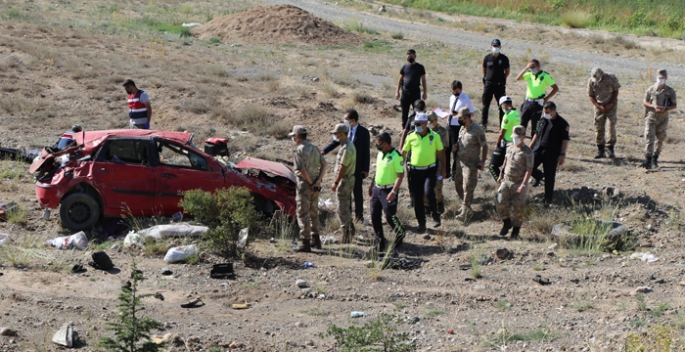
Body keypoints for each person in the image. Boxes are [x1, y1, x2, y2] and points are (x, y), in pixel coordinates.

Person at [322, 109, 370, 222]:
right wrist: (324, 151)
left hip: (357, 168)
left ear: (353, 120)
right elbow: (335, 142)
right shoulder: (345, 130)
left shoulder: (364, 132)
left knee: (357, 193)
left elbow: (365, 151)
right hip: (345, 166)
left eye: (346, 119)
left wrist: (365, 169)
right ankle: (348, 217)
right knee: (345, 194)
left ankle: (359, 217)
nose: (344, 121)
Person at [402, 113, 445, 232]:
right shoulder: (411, 136)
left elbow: (440, 152)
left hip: (429, 170)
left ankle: (436, 216)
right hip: (415, 172)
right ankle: (421, 223)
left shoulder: (434, 136)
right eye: (415, 124)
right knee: (417, 198)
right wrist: (400, 166)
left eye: (418, 124)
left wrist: (442, 169)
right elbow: (404, 152)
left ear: (426, 124)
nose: (416, 126)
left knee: (429, 191)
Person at [290, 126, 327, 252]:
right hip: (315, 185)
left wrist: (310, 183)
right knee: (314, 212)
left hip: (304, 185)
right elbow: (324, 164)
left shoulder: (298, 150)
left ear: (297, 137)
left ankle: (305, 242)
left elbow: (302, 170)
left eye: (293, 136)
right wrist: (318, 181)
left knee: (302, 213)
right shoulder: (315, 148)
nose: (293, 139)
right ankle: (315, 239)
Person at [368, 133, 407, 251]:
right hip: (377, 189)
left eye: (378, 144)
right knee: (374, 215)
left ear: (385, 144)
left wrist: (394, 192)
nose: (377, 146)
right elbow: (377, 171)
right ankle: (380, 242)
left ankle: (400, 233)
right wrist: (371, 186)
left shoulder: (396, 156)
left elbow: (400, 176)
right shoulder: (380, 154)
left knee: (389, 216)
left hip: (389, 190)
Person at [529, 102, 570, 206]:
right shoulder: (542, 120)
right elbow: (536, 134)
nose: (546, 114)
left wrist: (562, 154)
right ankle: (538, 176)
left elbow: (565, 140)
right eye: (544, 112)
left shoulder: (563, 124)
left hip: (551, 153)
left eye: (548, 112)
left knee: (549, 177)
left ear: (554, 111)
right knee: (528, 167)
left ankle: (547, 201)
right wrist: (529, 147)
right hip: (538, 150)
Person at [496, 126, 533, 239]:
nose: (515, 139)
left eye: (518, 137)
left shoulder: (527, 152)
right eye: (514, 137)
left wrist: (524, 184)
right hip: (506, 180)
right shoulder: (509, 147)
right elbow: (505, 161)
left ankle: (515, 231)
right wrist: (501, 174)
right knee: (500, 202)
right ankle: (507, 222)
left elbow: (529, 169)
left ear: (523, 137)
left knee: (519, 209)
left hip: (519, 182)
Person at [453, 107, 488, 222]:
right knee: (458, 184)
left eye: (461, 118)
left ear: (467, 118)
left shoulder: (477, 130)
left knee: (467, 186)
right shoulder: (462, 128)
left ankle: (464, 212)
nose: (459, 120)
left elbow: (484, 146)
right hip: (460, 161)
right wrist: (456, 147)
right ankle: (466, 206)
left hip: (471, 163)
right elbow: (460, 142)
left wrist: (482, 162)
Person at [641, 69, 677, 169]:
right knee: (649, 137)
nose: (660, 80)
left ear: (666, 78)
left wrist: (666, 108)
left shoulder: (670, 91)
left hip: (663, 118)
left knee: (660, 139)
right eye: (659, 78)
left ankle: (655, 159)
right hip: (651, 117)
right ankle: (647, 160)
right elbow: (645, 102)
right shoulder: (651, 89)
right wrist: (653, 107)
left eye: (662, 78)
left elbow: (674, 105)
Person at [515, 59, 559, 135]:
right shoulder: (529, 74)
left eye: (533, 67)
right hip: (527, 102)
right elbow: (518, 78)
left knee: (535, 125)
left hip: (537, 103)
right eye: (530, 68)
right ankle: (519, 142)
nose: (532, 69)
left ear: (538, 66)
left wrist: (547, 98)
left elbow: (555, 88)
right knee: (522, 123)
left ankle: (534, 144)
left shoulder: (545, 76)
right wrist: (526, 68)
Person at [330, 123, 357, 243]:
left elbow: (343, 167)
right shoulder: (346, 145)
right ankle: (351, 229)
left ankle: (346, 235)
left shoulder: (347, 148)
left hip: (344, 180)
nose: (335, 136)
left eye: (336, 134)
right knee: (345, 204)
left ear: (341, 134)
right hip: (347, 179)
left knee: (342, 208)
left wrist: (336, 182)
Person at [587, 67, 621, 159]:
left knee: (611, 127)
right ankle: (600, 150)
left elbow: (616, 91)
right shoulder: (591, 81)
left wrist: (610, 104)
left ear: (602, 73)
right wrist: (598, 106)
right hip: (599, 105)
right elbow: (590, 95)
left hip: (611, 105)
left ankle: (610, 149)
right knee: (599, 127)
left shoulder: (611, 77)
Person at [446, 80, 474, 179]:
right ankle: (446, 172)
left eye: (457, 90)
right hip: (449, 126)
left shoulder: (465, 99)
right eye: (454, 91)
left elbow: (471, 113)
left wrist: (458, 115)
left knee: (455, 151)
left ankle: (455, 174)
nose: (456, 92)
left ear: (461, 89)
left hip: (458, 127)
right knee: (446, 150)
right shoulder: (451, 97)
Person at [488, 96, 521, 181]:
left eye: (501, 106)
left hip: (506, 144)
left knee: (492, 166)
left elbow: (501, 133)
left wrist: (497, 144)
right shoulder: (517, 113)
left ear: (504, 104)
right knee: (506, 166)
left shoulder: (507, 115)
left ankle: (501, 184)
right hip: (516, 143)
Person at [481, 38, 510, 129]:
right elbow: (484, 71)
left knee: (502, 106)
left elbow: (507, 72)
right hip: (488, 85)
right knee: (485, 105)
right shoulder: (487, 58)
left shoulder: (504, 59)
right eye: (494, 46)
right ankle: (484, 124)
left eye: (497, 46)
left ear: (500, 47)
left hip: (499, 86)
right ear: (491, 47)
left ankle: (502, 126)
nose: (495, 47)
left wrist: (502, 79)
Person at [424, 112, 449, 214]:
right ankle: (426, 207)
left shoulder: (442, 132)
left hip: (437, 162)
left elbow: (444, 149)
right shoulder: (424, 131)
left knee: (437, 185)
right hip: (424, 162)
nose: (429, 123)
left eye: (431, 121)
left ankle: (439, 202)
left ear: (435, 121)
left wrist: (443, 168)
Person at [396, 49, 427, 129]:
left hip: (415, 92)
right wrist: (397, 92)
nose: (410, 56)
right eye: (408, 55)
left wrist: (425, 92)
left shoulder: (420, 67)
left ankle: (416, 128)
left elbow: (423, 80)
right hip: (405, 92)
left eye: (411, 55)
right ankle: (404, 129)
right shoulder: (404, 67)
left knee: (418, 111)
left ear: (415, 56)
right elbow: (400, 79)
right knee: (404, 112)